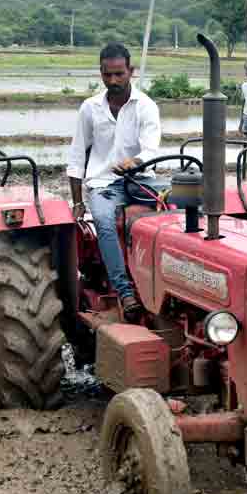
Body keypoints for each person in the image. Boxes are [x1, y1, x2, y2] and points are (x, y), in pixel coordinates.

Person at [67, 43, 161, 322]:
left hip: (140, 178)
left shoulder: (146, 106)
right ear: (101, 73)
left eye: (119, 74)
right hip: (104, 184)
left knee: (180, 206)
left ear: (130, 71)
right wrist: (77, 202)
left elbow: (150, 149)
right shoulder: (90, 108)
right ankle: (125, 291)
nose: (113, 81)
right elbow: (77, 154)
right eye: (108, 75)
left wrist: (135, 161)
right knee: (105, 222)